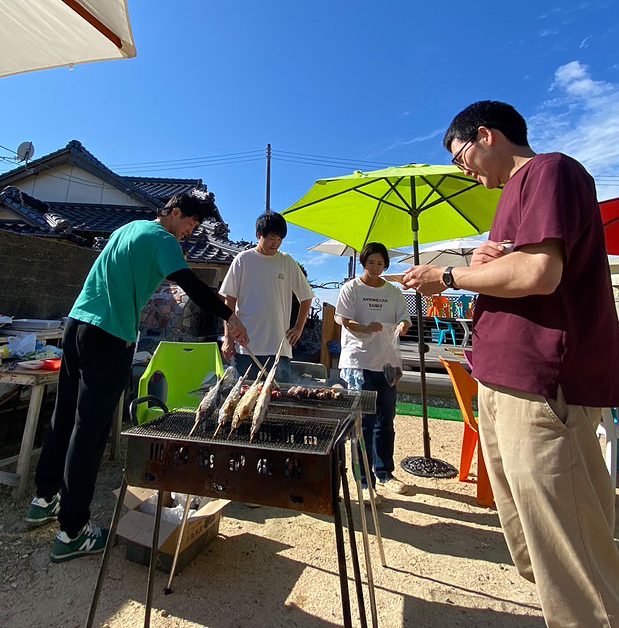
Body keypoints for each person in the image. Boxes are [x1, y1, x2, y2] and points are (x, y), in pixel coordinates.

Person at [402, 100, 619, 628]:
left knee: (572, 554)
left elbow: (539, 273)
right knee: (539, 547)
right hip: (504, 379)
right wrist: (484, 262)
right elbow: (524, 265)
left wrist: (447, 278)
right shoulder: (515, 192)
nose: (463, 169)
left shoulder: (551, 170)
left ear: (487, 135)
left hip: (541, 383)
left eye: (461, 155)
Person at [24, 192, 249, 562]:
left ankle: (45, 497)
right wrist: (231, 317)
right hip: (109, 335)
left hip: (77, 325)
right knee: (90, 430)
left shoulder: (128, 229)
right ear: (175, 214)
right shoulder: (162, 238)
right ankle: (72, 532)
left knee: (64, 416)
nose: (188, 234)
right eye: (189, 225)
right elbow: (192, 285)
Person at [335, 242, 411, 504]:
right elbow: (344, 320)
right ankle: (364, 481)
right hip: (358, 361)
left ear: (386, 265)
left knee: (386, 419)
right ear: (363, 263)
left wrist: (402, 325)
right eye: (371, 263)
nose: (375, 267)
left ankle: (385, 473)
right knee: (363, 423)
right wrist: (366, 328)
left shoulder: (394, 291)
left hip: (388, 363)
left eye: (380, 263)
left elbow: (405, 318)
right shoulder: (351, 288)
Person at [220, 211, 314, 383]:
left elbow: (306, 297)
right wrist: (228, 338)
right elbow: (229, 302)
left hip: (279, 346)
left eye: (279, 239)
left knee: (280, 402)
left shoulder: (287, 262)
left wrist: (299, 328)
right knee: (245, 400)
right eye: (272, 238)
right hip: (247, 346)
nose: (276, 243)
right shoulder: (243, 260)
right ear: (258, 235)